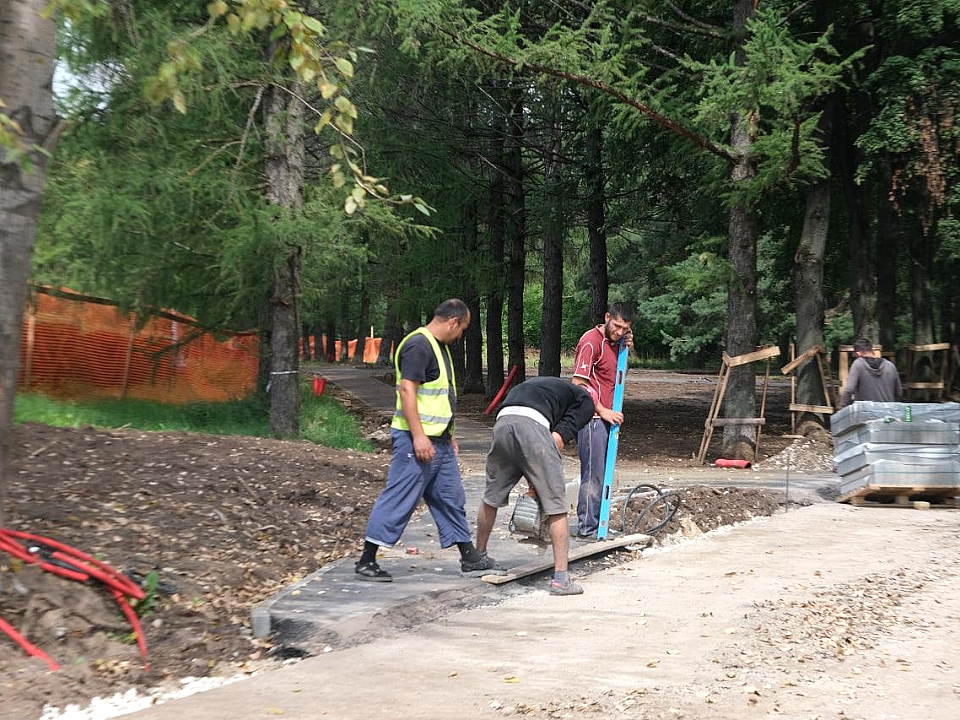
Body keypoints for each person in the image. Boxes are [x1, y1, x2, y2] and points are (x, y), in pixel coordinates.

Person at [355, 299, 502, 582]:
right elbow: (407, 391)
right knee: (399, 498)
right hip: (415, 440)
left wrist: (450, 435)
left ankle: (469, 557)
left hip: (441, 442)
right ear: (452, 322)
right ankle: (367, 560)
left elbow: (439, 397)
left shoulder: (439, 347)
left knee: (451, 498)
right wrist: (419, 436)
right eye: (463, 329)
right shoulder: (418, 346)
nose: (461, 336)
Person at [475, 376, 596, 595]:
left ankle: (478, 557)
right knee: (557, 505)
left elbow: (523, 450)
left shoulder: (544, 387)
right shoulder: (585, 399)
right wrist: (542, 485)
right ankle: (561, 580)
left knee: (491, 497)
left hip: (503, 421)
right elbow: (555, 440)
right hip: (532, 425)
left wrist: (533, 479)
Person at [571, 302, 634, 538]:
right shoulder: (590, 341)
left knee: (604, 472)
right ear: (607, 317)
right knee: (593, 473)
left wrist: (627, 350)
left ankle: (600, 523)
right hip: (592, 418)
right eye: (616, 326)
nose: (619, 332)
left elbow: (617, 376)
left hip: (608, 417)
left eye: (624, 329)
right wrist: (603, 410)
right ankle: (587, 527)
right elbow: (579, 384)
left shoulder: (618, 343)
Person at [840, 338, 902, 407]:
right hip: (888, 413)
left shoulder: (858, 364)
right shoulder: (890, 366)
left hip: (865, 413)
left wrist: (843, 407)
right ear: (871, 350)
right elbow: (899, 392)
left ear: (858, 353)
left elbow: (849, 390)